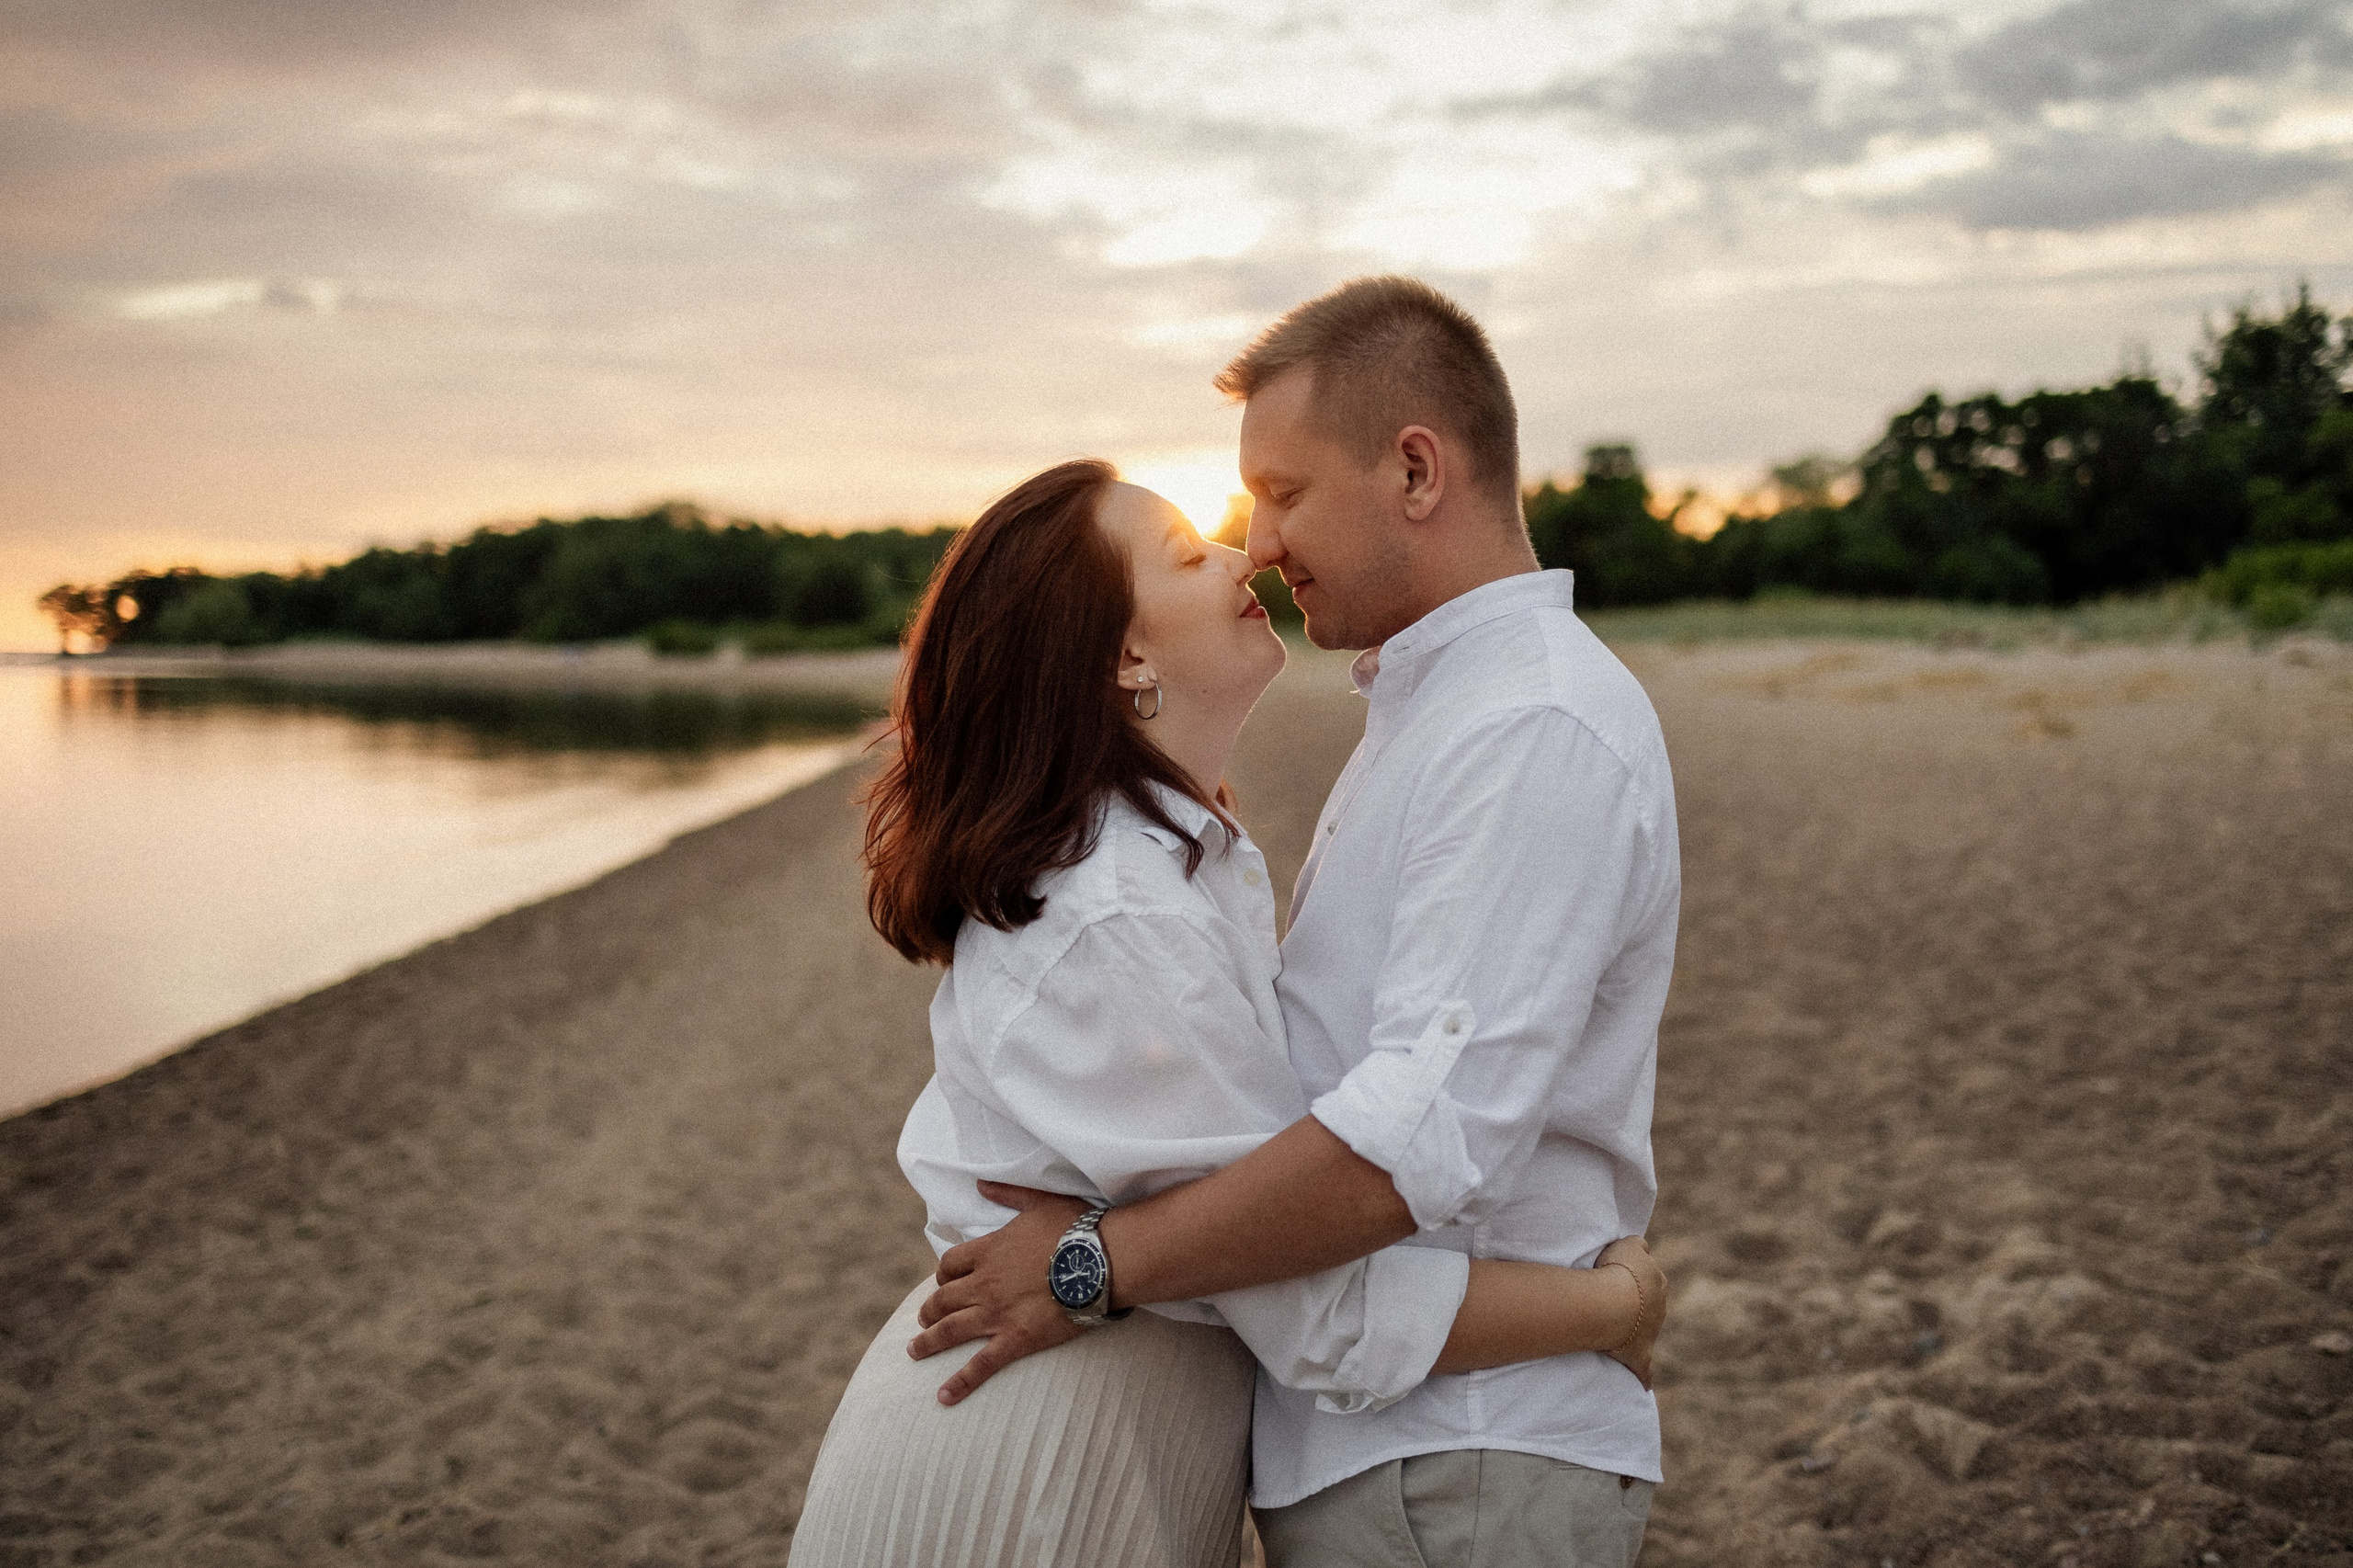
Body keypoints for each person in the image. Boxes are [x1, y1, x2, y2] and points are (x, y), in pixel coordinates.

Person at [910, 277, 1681, 1567]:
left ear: (1416, 472)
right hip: (1400, 1455)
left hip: (1459, 1452)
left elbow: (1404, 1148)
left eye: (1282, 491)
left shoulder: (1524, 725)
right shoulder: (1432, 714)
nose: (1258, 541)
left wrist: (1088, 1262)